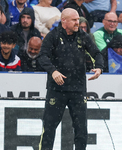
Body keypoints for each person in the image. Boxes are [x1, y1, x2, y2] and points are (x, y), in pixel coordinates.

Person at [38, 8, 103, 150]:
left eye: (78, 19)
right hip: (57, 88)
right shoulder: (53, 36)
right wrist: (53, 71)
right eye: (74, 20)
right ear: (64, 21)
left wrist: (99, 68)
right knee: (49, 127)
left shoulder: (83, 36)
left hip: (78, 89)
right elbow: (42, 56)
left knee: (81, 129)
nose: (77, 23)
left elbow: (97, 53)